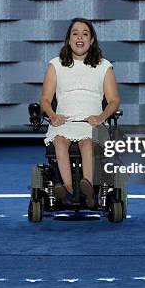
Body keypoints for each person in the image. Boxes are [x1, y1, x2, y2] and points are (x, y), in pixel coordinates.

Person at [40, 18, 120, 207]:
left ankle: (89, 188)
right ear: (69, 39)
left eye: (85, 34)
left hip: (91, 122)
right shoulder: (55, 65)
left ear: (91, 40)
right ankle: (66, 189)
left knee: (88, 143)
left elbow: (114, 100)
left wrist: (100, 118)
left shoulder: (104, 66)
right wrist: (53, 116)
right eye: (75, 33)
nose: (80, 38)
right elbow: (44, 99)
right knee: (59, 141)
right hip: (64, 121)